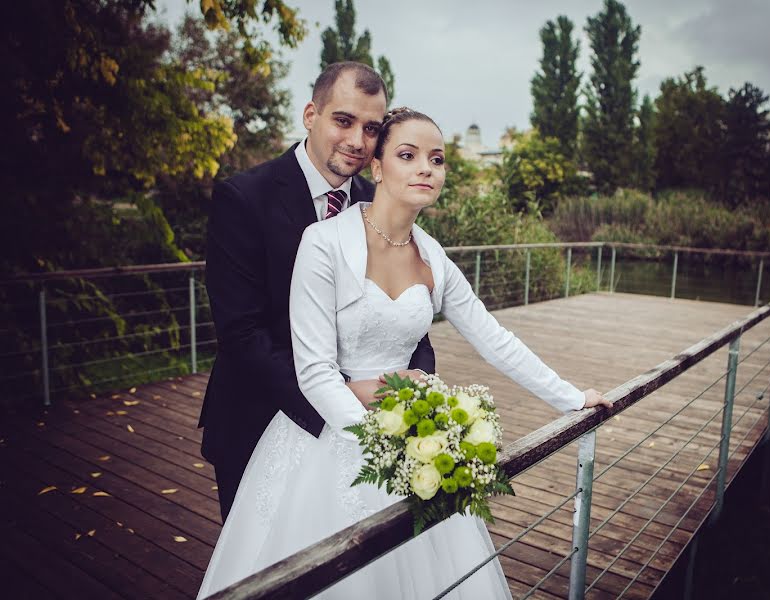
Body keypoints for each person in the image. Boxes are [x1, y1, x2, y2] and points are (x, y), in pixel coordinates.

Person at [197, 107, 611, 599]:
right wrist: (382, 448)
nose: (425, 169)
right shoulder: (324, 242)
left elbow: (493, 337)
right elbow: (313, 371)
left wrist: (569, 397)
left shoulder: (434, 256)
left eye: (436, 159)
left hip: (415, 443)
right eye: (408, 155)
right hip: (329, 441)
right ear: (377, 167)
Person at [198, 62, 435, 523]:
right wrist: (342, 395)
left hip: (373, 426)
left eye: (371, 128)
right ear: (311, 114)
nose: (356, 140)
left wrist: (416, 382)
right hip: (261, 418)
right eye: (343, 121)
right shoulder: (244, 198)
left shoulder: (379, 197)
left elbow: (407, 302)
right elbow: (241, 332)